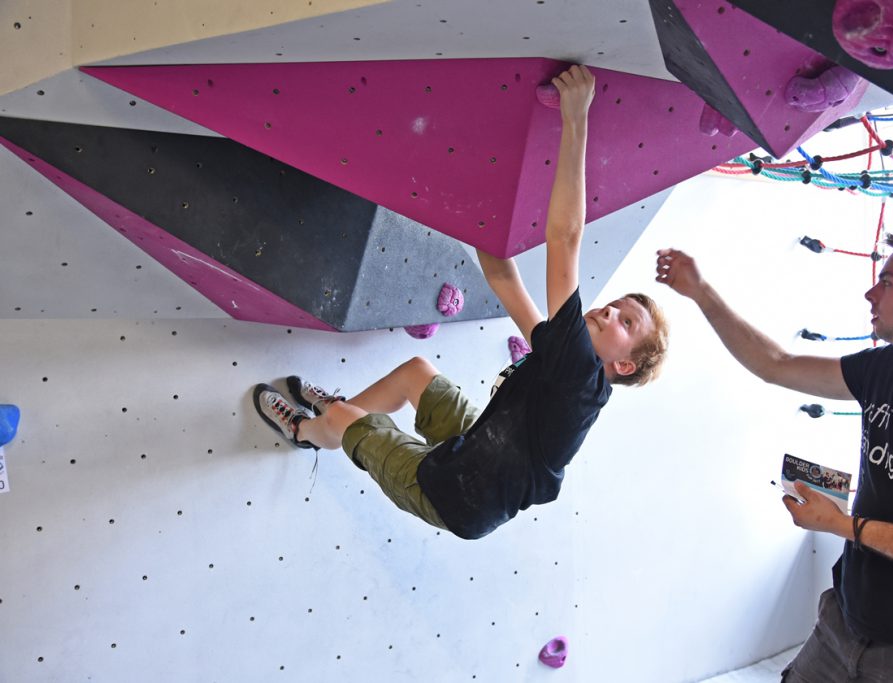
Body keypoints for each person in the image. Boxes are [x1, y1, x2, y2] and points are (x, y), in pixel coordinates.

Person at [251, 65, 669, 540]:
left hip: (457, 497)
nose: (609, 310)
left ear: (626, 366)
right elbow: (502, 276)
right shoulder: (563, 357)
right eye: (616, 304)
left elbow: (566, 238)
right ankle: (337, 420)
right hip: (484, 445)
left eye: (627, 323)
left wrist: (576, 120)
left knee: (349, 423)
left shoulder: (582, 379)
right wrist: (473, 194)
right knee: (415, 373)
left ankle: (307, 434)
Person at [656, 229, 893, 681]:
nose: (870, 293)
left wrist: (842, 526)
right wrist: (701, 292)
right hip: (844, 625)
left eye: (887, 282)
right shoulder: (884, 367)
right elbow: (776, 364)